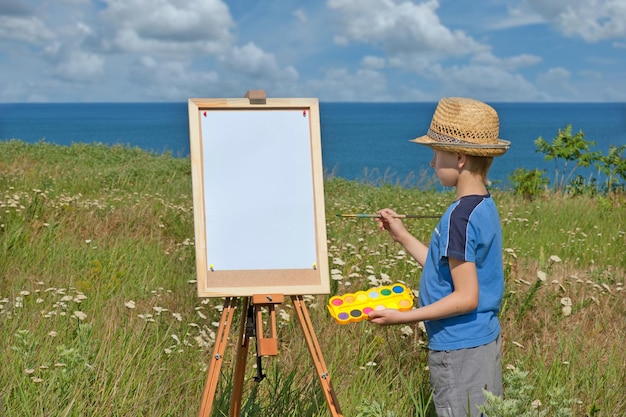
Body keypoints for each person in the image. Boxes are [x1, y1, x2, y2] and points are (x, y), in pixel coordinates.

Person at [368, 97, 510, 417]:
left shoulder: (459, 217)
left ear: (459, 158)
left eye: (436, 154)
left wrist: (401, 317)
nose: (432, 163)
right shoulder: (482, 206)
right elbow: (447, 270)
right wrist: (402, 236)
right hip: (481, 342)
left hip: (459, 350)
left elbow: (466, 297)